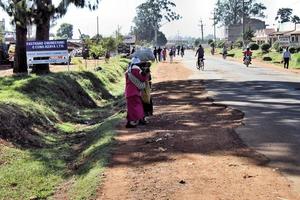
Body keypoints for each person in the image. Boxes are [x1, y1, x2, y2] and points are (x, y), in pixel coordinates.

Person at [125, 57, 148, 128]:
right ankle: (140, 119)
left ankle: (130, 122)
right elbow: (142, 79)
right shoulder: (136, 70)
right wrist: (145, 74)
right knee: (138, 106)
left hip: (128, 92)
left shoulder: (128, 71)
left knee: (130, 108)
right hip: (134, 92)